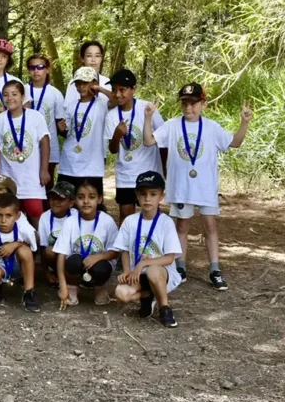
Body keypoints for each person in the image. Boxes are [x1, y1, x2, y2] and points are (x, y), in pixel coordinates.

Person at [143, 83, 252, 290]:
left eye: (194, 103)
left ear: (204, 104)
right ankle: (180, 266)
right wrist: (148, 117)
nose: (189, 108)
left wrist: (244, 122)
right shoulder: (173, 125)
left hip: (205, 187)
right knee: (182, 227)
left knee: (209, 226)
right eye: (184, 103)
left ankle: (215, 269)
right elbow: (148, 141)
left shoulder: (211, 127)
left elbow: (235, 143)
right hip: (181, 187)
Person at [113, 171, 182, 327]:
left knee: (153, 270)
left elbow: (170, 258)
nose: (147, 198)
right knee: (121, 293)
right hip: (137, 274)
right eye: (142, 194)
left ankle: (164, 307)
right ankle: (148, 295)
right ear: (136, 195)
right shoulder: (130, 221)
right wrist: (126, 270)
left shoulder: (166, 223)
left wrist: (143, 264)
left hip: (161, 273)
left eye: (153, 194)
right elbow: (124, 250)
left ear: (161, 196)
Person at [105, 69, 166, 224]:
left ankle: (151, 246)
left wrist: (165, 170)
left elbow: (163, 139)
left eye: (122, 90)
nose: (118, 94)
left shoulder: (147, 109)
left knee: (151, 216)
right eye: (114, 90)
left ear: (134, 89)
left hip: (149, 171)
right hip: (125, 174)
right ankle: (126, 248)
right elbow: (112, 149)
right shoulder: (112, 115)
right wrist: (117, 135)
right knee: (126, 218)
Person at [0, 80, 51, 229]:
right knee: (10, 216)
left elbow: (45, 142)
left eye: (14, 94)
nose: (10, 98)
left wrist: (44, 169)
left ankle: (38, 249)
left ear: (22, 96)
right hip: (9, 179)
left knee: (35, 214)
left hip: (32, 178)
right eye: (6, 95)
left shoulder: (35, 117)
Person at [54, 178, 119, 308]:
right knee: (72, 261)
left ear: (99, 199)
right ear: (75, 200)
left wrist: (98, 257)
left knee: (101, 268)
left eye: (92, 197)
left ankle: (100, 288)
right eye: (81, 197)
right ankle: (72, 288)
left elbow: (115, 252)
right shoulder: (70, 221)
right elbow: (61, 255)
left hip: (99, 265)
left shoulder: (107, 221)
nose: (86, 201)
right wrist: (63, 287)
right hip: (78, 264)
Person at [57, 67, 112, 194]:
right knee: (65, 203)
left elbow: (116, 100)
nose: (81, 86)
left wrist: (100, 89)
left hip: (92, 166)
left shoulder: (102, 104)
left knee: (90, 205)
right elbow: (69, 133)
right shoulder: (71, 106)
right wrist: (62, 130)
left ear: (94, 83)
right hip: (69, 164)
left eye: (85, 83)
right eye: (78, 83)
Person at [24, 54, 65, 197]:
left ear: (47, 69)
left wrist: (62, 129)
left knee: (46, 184)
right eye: (32, 67)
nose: (36, 71)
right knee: (28, 183)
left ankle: (47, 215)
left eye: (40, 67)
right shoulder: (22, 90)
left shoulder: (55, 94)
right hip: (26, 145)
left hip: (50, 146)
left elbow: (61, 123)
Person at [37, 181, 78, 287]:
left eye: (61, 199)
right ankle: (59, 275)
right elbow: (42, 248)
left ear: (71, 203)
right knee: (48, 251)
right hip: (56, 257)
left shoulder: (76, 216)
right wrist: (46, 273)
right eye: (53, 198)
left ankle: (74, 277)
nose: (56, 202)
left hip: (73, 257)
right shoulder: (44, 217)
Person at [64, 41, 113, 106]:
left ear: (101, 58)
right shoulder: (74, 82)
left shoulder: (106, 82)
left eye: (97, 56)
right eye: (89, 56)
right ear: (82, 58)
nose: (93, 60)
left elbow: (114, 104)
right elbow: (68, 108)